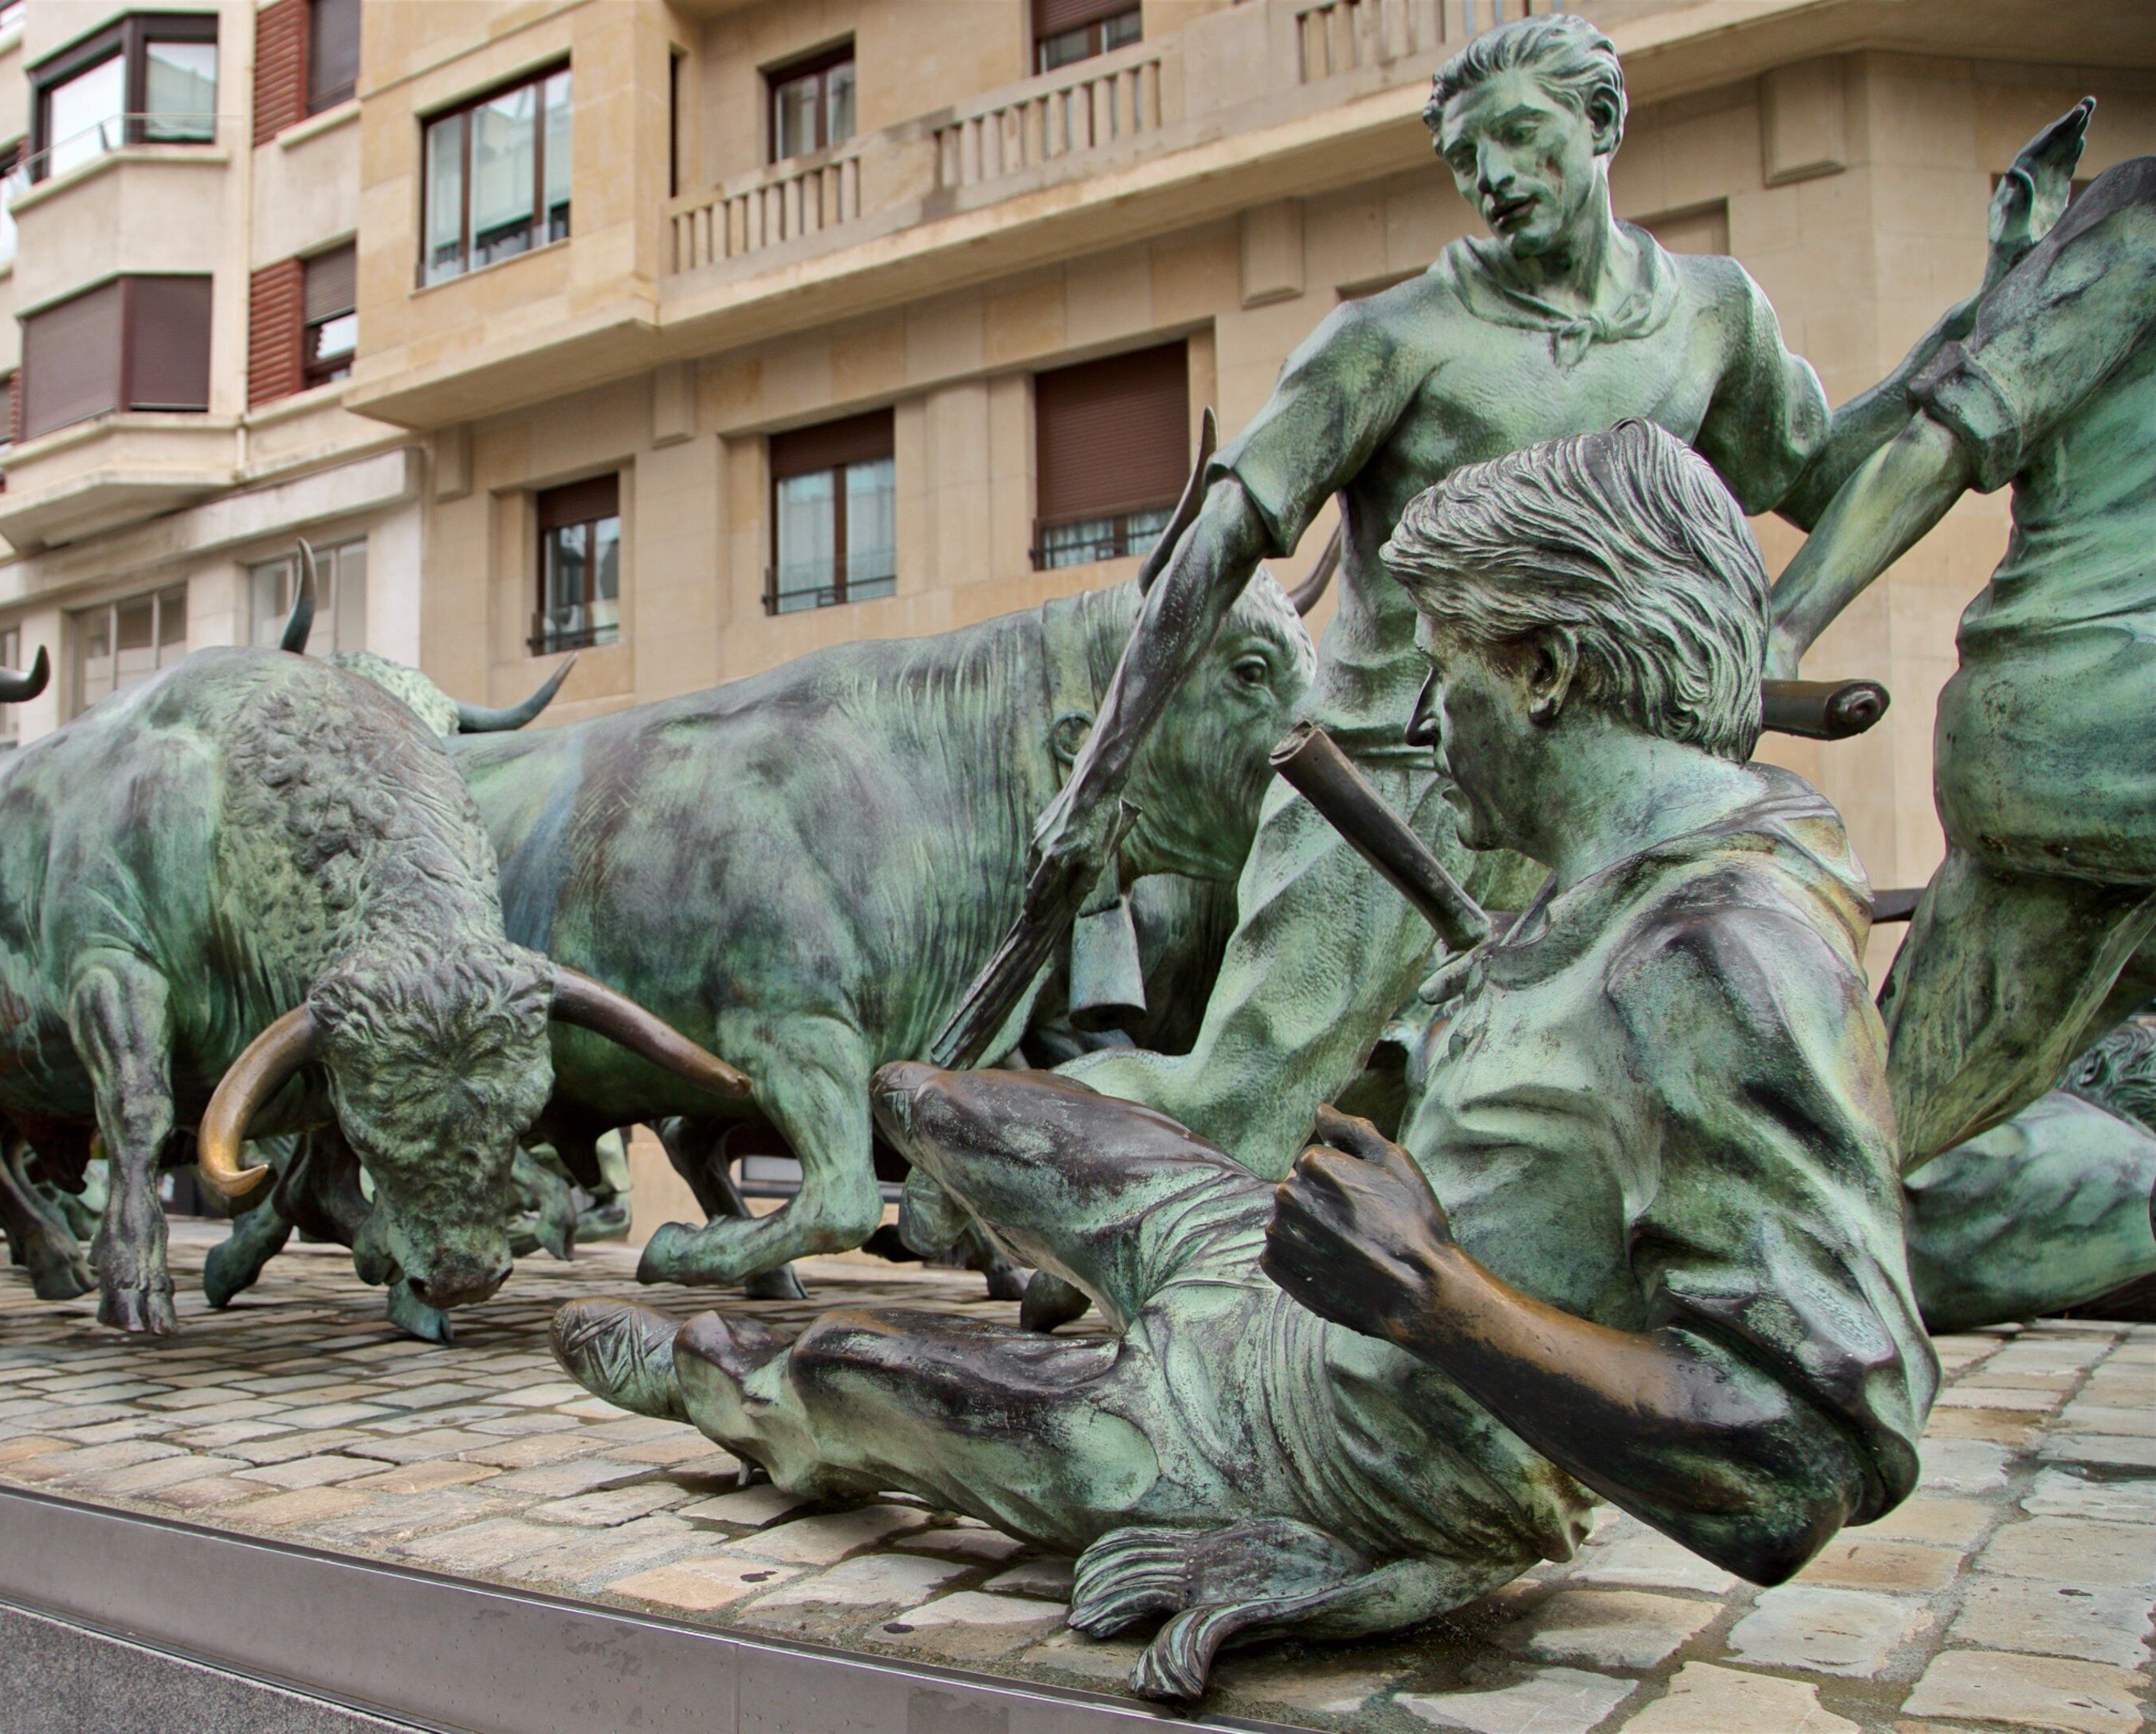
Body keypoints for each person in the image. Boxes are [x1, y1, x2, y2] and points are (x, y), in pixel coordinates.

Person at [554, 423, 1930, 1703]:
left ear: (1550, 673)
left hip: (1334, 1445)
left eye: (1445, 676)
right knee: (943, 1104)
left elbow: (1805, 1461)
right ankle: (968, 1205)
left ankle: (704, 1374)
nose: (1427, 730)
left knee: (860, 1373)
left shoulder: (1718, 955)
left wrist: (1431, 1297)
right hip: (1274, 1285)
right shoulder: (1605, 888)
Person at [955, 12, 1977, 1178]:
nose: (1492, 178)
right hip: (1382, 790)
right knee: (1243, 1101)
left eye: (1522, 139)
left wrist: (1976, 341)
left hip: (1594, 795)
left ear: (1600, 125)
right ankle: (996, 1160)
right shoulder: (1393, 339)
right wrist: (1101, 780)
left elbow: (1825, 472)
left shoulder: (1712, 317)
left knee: (1564, 1112)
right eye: (1467, 159)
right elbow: (1216, 541)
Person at [1766, 116, 2156, 1164]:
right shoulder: (2120, 241)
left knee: (1871, 1136)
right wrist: (2011, 281)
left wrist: (1782, 622)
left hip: (2092, 749)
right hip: (2091, 757)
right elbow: (1832, 470)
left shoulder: (2137, 237)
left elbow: (1940, 446)